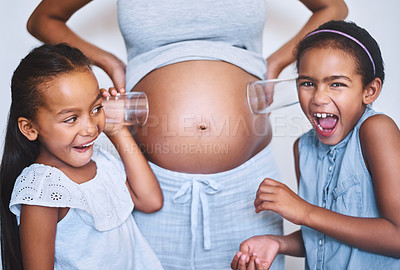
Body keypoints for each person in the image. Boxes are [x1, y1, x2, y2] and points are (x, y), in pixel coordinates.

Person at [26, 1, 348, 269]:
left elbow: (332, 7)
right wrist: (109, 62)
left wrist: (276, 63)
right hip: (152, 183)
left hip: (248, 187)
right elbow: (44, 19)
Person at [231, 20, 400, 270]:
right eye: (308, 83)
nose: (319, 98)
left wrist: (304, 211)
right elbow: (323, 237)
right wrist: (278, 242)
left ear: (370, 90)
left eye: (337, 84)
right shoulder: (303, 148)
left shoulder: (376, 130)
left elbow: (397, 237)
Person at [0, 43, 164, 270]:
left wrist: (117, 129)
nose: (90, 128)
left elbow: (150, 200)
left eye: (96, 108)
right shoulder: (43, 189)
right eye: (71, 118)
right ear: (29, 128)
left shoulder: (102, 162)